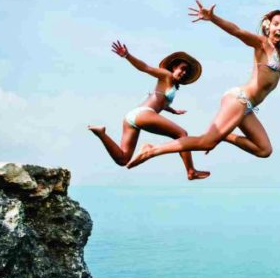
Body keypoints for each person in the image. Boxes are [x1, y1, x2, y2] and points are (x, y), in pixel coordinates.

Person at [127, 1, 280, 169]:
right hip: (239, 100)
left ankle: (225, 135)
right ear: (269, 26)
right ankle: (151, 150)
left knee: (264, 150)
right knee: (207, 142)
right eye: (276, 24)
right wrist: (213, 18)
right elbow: (237, 31)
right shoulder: (261, 44)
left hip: (248, 107)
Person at [88, 42, 210, 180]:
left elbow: (159, 101)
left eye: (186, 72)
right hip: (143, 113)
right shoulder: (166, 75)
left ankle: (101, 133)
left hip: (132, 117)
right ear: (174, 67)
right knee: (182, 134)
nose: (184, 73)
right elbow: (145, 67)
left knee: (123, 160)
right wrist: (127, 55)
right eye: (182, 68)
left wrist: (172, 110)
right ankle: (191, 171)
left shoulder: (170, 85)